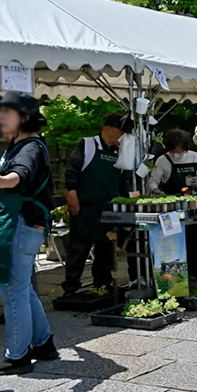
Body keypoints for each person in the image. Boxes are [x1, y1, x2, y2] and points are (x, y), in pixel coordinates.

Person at [0, 92, 58, 375]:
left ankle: (18, 355)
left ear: (23, 117)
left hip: (21, 226)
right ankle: (43, 342)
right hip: (23, 226)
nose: (0, 118)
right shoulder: (18, 145)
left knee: (12, 288)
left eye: (6, 112)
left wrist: (1, 180)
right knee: (20, 286)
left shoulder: (29, 147)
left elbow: (19, 175)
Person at [62, 114, 125, 294]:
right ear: (107, 128)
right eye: (120, 130)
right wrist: (71, 193)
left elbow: (124, 179)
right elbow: (71, 170)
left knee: (105, 250)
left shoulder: (120, 151)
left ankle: (103, 284)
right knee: (79, 249)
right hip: (85, 208)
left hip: (109, 209)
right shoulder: (87, 144)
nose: (122, 135)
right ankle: (71, 287)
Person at [148, 127, 197, 279]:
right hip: (170, 207)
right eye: (176, 150)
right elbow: (152, 181)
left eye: (181, 150)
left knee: (192, 240)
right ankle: (175, 276)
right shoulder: (163, 160)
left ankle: (195, 272)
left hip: (190, 204)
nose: (179, 153)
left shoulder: (193, 156)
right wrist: (157, 191)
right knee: (172, 241)